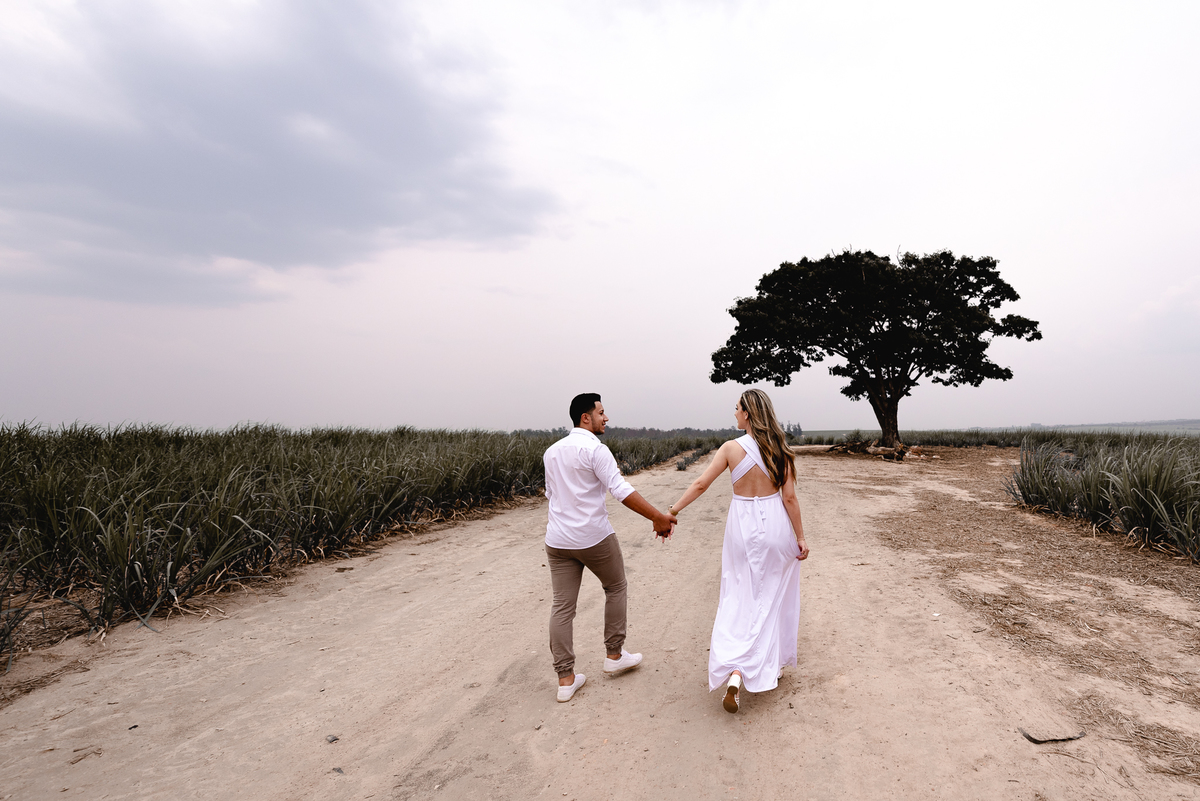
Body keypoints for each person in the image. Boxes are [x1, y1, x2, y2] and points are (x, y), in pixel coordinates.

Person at [666, 388, 810, 713]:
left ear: (747, 414)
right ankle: (760, 664)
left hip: (742, 527)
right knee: (771, 596)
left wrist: (672, 510)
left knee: (738, 594)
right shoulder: (780, 450)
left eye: (736, 409)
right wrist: (800, 537)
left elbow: (701, 484)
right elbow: (789, 498)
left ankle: (735, 670)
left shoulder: (731, 449)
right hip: (775, 523)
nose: (734, 414)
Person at [543, 393, 678, 702]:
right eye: (601, 413)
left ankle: (565, 680)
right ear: (585, 418)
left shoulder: (551, 452)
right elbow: (621, 490)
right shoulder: (596, 449)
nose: (606, 418)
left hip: (558, 541)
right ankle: (614, 657)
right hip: (593, 537)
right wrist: (658, 517)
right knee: (615, 587)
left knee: (562, 606)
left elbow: (552, 494)